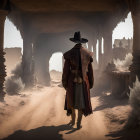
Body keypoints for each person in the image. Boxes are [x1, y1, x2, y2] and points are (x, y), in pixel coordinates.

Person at [62, 31, 94, 129]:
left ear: (74, 42)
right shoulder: (87, 54)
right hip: (83, 80)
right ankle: (78, 123)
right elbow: (90, 71)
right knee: (81, 102)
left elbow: (66, 70)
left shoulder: (69, 54)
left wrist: (64, 82)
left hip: (71, 80)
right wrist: (91, 83)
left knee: (71, 100)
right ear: (81, 42)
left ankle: (72, 121)